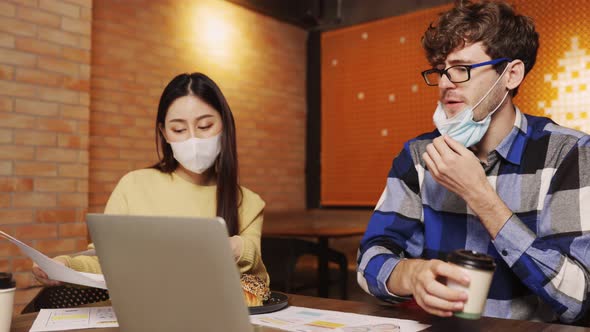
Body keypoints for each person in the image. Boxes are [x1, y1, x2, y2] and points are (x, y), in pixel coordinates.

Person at [357, 0, 590, 323]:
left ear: (510, 74)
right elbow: (371, 257)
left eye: (462, 69)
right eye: (441, 70)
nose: (444, 83)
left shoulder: (567, 153)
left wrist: (480, 195)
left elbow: (579, 299)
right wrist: (412, 274)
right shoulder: (418, 155)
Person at [33, 72, 269, 286]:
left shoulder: (247, 202)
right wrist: (65, 265)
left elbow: (257, 286)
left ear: (225, 125)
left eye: (205, 126)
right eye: (178, 130)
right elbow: (107, 262)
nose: (193, 139)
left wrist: (237, 249)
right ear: (164, 133)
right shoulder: (133, 186)